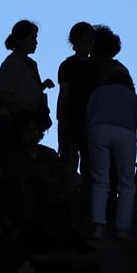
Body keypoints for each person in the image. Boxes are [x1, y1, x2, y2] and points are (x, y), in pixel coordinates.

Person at [86, 64, 137, 237]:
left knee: (100, 180)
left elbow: (88, 116)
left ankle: (98, 227)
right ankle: (122, 229)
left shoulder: (98, 92)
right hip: (125, 133)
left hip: (98, 129)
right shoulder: (132, 97)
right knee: (126, 183)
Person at [0, 20, 52, 154]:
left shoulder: (30, 64)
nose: (36, 42)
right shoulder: (11, 63)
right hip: (15, 123)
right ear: (20, 41)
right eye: (32, 38)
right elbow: (1, 93)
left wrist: (41, 87)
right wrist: (23, 106)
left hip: (29, 122)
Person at [55, 21, 99, 184]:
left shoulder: (94, 66)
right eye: (84, 40)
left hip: (89, 122)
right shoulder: (68, 66)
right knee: (70, 165)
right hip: (73, 122)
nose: (88, 44)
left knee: (88, 166)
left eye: (90, 41)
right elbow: (64, 95)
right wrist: (62, 121)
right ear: (75, 42)